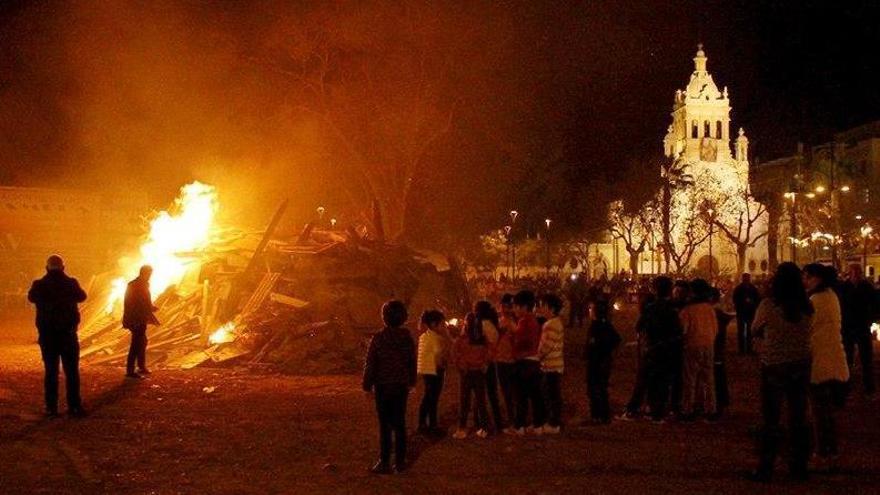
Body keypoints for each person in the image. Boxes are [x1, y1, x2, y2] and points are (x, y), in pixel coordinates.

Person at [746, 262, 814, 482]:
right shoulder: (808, 307)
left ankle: (766, 466)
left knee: (771, 418)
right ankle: (799, 466)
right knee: (798, 417)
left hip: (774, 363)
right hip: (801, 363)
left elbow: (755, 328)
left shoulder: (768, 305)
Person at [27, 255, 88, 418]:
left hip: (48, 336)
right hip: (68, 335)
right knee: (72, 372)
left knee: (51, 371)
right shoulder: (71, 283)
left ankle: (51, 408)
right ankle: (74, 406)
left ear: (47, 268)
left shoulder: (39, 285)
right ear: (63, 267)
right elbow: (83, 296)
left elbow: (31, 298)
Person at [803, 264, 849, 471]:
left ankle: (822, 454)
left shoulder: (815, 301)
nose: (805, 281)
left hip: (820, 361)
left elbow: (807, 328)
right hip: (836, 359)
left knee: (819, 413)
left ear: (818, 279)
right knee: (828, 413)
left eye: (808, 277)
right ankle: (832, 452)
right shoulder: (832, 296)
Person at [362, 300, 416, 474]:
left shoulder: (379, 338)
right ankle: (399, 462)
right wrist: (412, 381)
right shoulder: (407, 338)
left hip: (383, 386)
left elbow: (371, 363)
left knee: (385, 425)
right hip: (400, 385)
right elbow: (411, 362)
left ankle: (384, 461)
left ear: (384, 318)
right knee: (399, 423)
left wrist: (366, 385)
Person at [639, 276, 683, 423]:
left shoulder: (651, 308)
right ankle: (662, 409)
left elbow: (639, 326)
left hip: (653, 347)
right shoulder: (673, 309)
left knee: (653, 379)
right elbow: (678, 329)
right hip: (669, 348)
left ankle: (653, 410)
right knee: (664, 380)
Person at [679, 279, 718, 421]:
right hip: (708, 344)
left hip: (692, 345)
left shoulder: (688, 310)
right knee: (708, 378)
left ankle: (688, 409)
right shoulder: (709, 309)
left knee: (690, 379)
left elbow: (683, 329)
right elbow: (715, 328)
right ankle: (710, 408)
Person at [511, 290, 545, 435]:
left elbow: (519, 342)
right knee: (535, 396)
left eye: (516, 306)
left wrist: (511, 334)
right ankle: (538, 425)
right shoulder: (535, 320)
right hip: (535, 362)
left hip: (524, 363)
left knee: (521, 397)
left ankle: (519, 427)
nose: (514, 309)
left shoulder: (524, 321)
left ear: (523, 307)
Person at [839, 263, 876, 396]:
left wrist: (870, 318)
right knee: (847, 357)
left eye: (857, 272)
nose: (854, 275)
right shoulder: (844, 287)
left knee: (866, 358)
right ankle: (847, 385)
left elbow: (875, 303)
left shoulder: (866, 287)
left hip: (861, 325)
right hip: (849, 326)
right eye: (852, 272)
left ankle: (868, 386)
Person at [452, 313, 491, 439]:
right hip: (478, 372)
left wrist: (462, 366)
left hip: (467, 373)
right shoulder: (483, 340)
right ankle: (484, 428)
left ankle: (462, 428)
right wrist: (485, 364)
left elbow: (456, 355)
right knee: (480, 401)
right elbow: (488, 353)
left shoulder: (462, 339)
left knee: (464, 401)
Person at [584, 299, 621, 424]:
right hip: (603, 361)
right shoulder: (605, 324)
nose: (589, 311)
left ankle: (598, 415)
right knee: (601, 388)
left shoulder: (597, 326)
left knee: (596, 388)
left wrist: (600, 348)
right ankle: (603, 414)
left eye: (591, 309)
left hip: (597, 362)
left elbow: (615, 339)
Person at [122, 265, 160, 379]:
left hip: (141, 318)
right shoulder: (134, 285)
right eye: (149, 274)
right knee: (136, 344)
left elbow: (144, 301)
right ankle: (130, 370)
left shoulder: (143, 284)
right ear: (144, 273)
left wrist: (151, 307)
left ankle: (141, 366)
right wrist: (132, 319)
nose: (150, 277)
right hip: (135, 319)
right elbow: (130, 304)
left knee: (142, 341)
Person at [417, 309, 449, 435]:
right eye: (442, 324)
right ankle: (432, 424)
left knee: (427, 397)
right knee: (433, 398)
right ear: (434, 324)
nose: (444, 326)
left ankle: (422, 423)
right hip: (435, 371)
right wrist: (443, 365)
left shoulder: (423, 336)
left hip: (426, 371)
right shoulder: (436, 338)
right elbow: (438, 356)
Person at [474, 300, 505, 433]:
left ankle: (481, 423)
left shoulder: (482, 325)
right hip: (491, 362)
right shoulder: (492, 324)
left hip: (483, 363)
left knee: (480, 395)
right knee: (492, 394)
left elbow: (487, 346)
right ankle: (498, 422)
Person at [537, 293, 565, 433]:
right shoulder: (556, 322)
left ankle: (554, 423)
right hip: (554, 365)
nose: (541, 308)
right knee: (552, 394)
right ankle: (554, 421)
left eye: (544, 306)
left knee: (551, 395)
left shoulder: (551, 324)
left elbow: (546, 346)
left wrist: (538, 356)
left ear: (552, 308)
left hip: (551, 366)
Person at [495, 294, 517, 434]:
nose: (503, 309)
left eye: (506, 306)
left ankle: (513, 420)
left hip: (510, 360)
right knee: (506, 391)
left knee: (511, 392)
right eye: (502, 306)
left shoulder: (512, 322)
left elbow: (518, 336)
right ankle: (512, 418)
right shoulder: (500, 321)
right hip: (501, 359)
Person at [711, 287, 735, 416]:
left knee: (712, 376)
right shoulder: (719, 312)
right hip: (718, 348)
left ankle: (714, 403)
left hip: (712, 347)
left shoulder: (713, 312)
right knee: (718, 375)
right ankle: (721, 402)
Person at [733, 273, 761, 354]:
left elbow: (757, 299)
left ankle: (748, 349)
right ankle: (743, 349)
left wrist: (752, 303)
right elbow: (735, 300)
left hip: (749, 312)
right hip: (743, 312)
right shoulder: (740, 288)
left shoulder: (751, 288)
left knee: (748, 331)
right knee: (742, 331)